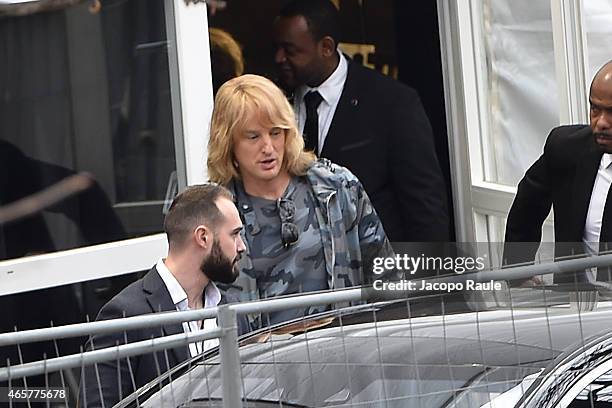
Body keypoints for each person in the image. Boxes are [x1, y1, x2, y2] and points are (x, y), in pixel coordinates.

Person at [207, 74, 394, 328]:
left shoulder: (338, 187)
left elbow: (387, 276)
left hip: (348, 353)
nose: (268, 147)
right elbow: (205, 311)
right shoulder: (215, 214)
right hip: (264, 361)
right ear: (228, 144)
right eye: (253, 137)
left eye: (276, 133)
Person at [272, 0, 449, 243]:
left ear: (326, 47)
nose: (279, 58)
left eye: (290, 50)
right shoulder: (274, 101)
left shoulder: (391, 102)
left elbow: (424, 204)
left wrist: (425, 277)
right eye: (277, 48)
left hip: (374, 266)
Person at [79, 184, 249, 407]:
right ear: (203, 237)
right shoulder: (125, 315)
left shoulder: (233, 312)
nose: (242, 246)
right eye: (234, 234)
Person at [504, 60, 612, 284]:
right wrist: (517, 272)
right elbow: (527, 205)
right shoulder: (566, 148)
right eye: (595, 109)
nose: (601, 122)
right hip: (574, 309)